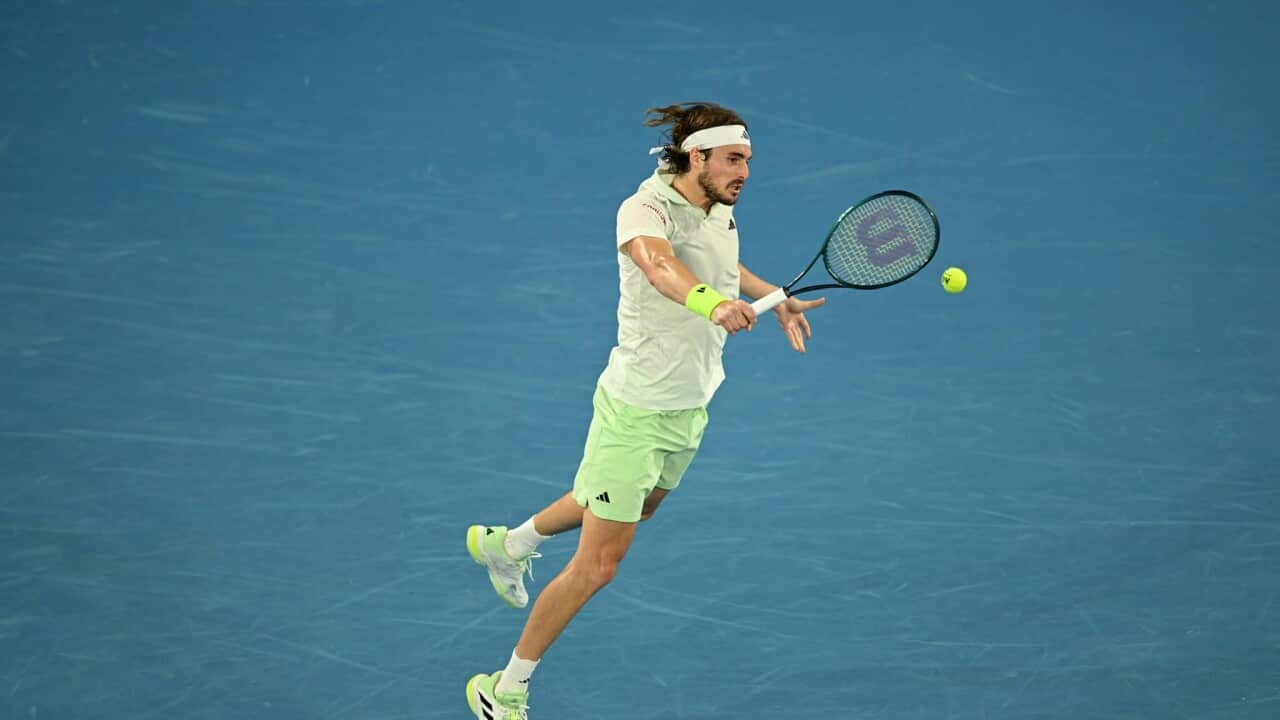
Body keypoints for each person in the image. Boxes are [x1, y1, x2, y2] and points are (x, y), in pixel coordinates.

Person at [464, 101, 825, 719]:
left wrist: (775, 297)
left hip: (691, 402)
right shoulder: (644, 208)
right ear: (697, 156)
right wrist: (712, 306)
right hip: (638, 407)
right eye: (734, 159)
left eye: (748, 160)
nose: (744, 172)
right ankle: (506, 688)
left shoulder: (717, 208)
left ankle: (509, 543)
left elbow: (716, 263)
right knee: (600, 563)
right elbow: (661, 266)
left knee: (640, 505)